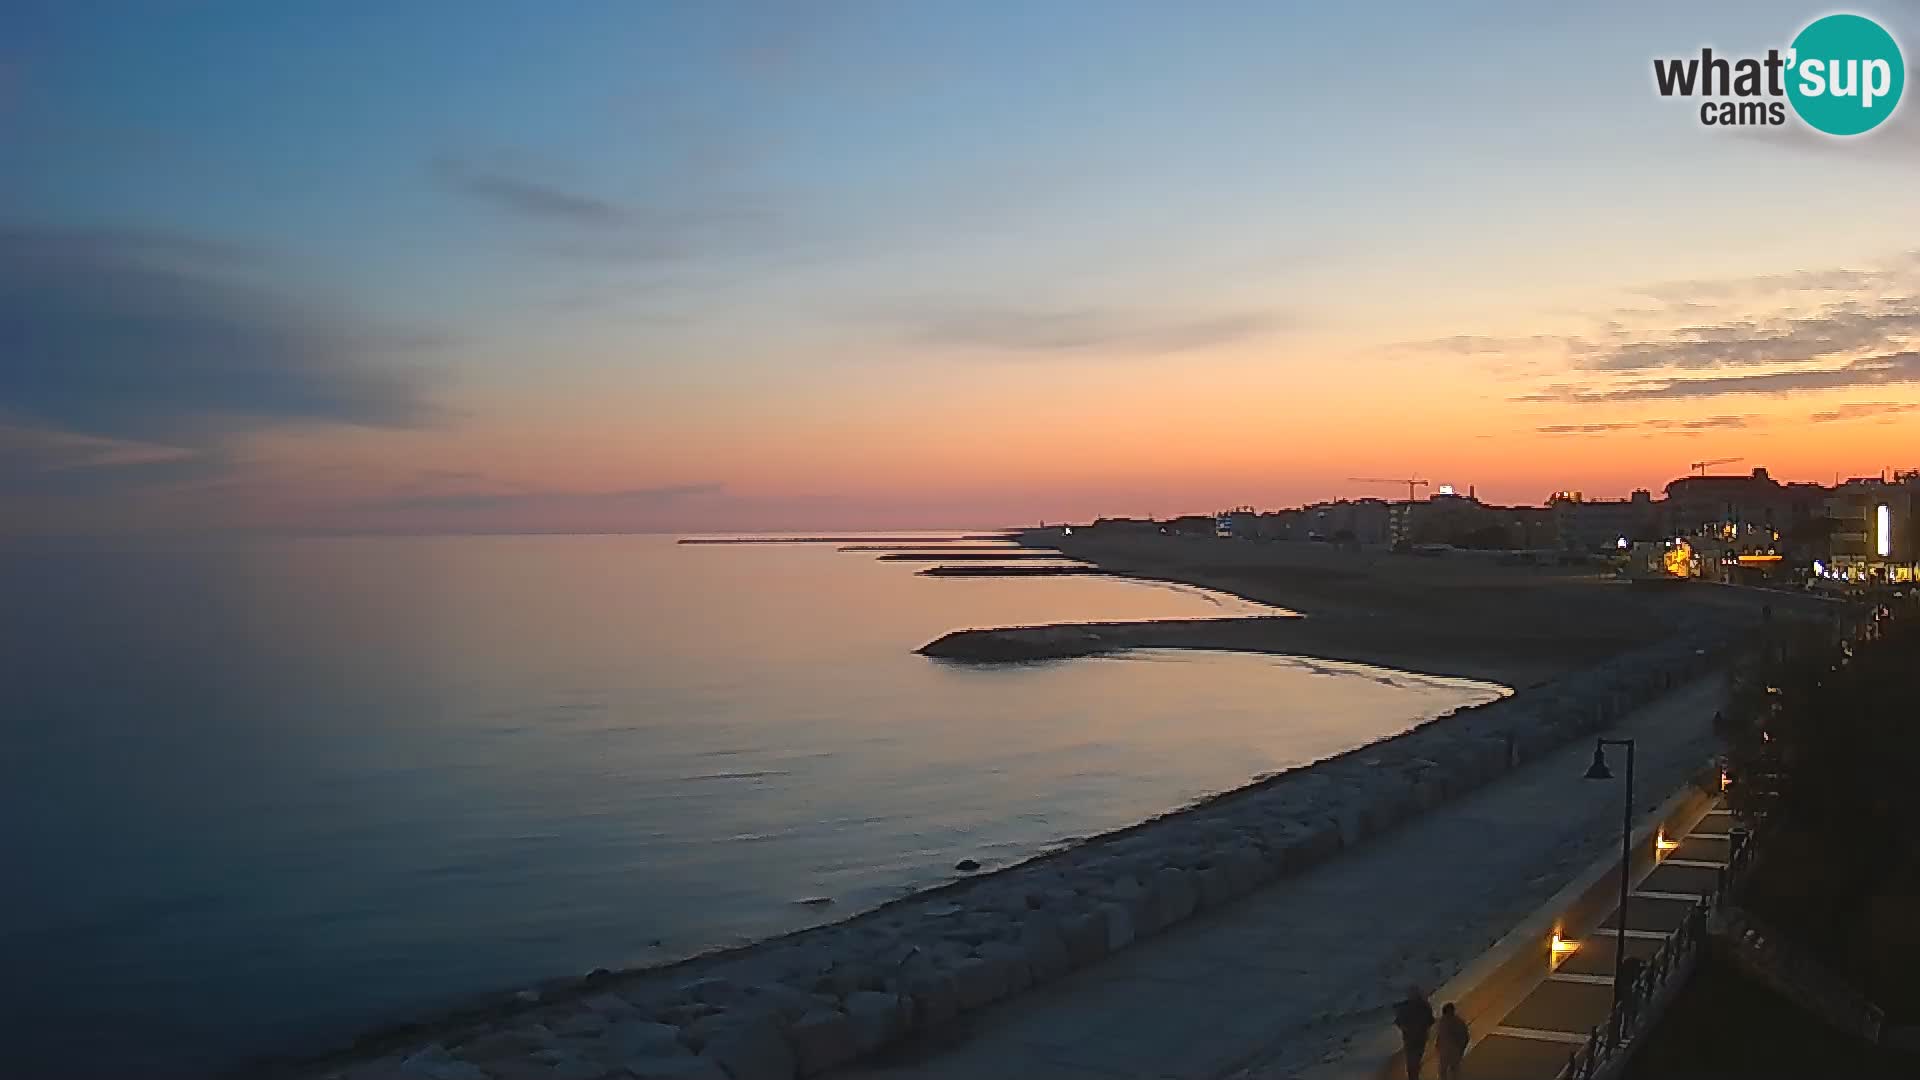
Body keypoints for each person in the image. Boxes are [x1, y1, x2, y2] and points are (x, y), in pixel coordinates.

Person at [1394, 985, 1435, 1080]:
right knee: (1416, 1059)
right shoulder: (1424, 1006)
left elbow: (1398, 1022)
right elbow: (1431, 1021)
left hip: (1409, 1038)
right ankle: (1415, 1075)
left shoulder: (1404, 1007)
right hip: (1420, 1037)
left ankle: (1413, 1076)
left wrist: (1405, 1028)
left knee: (1411, 1061)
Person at [1435, 1002, 1469, 1080]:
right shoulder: (1459, 1022)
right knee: (1455, 1071)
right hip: (1455, 1051)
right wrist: (1461, 1050)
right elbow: (1465, 1038)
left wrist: (1438, 1047)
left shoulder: (1441, 1022)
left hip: (1444, 1051)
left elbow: (1439, 1037)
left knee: (1442, 1071)